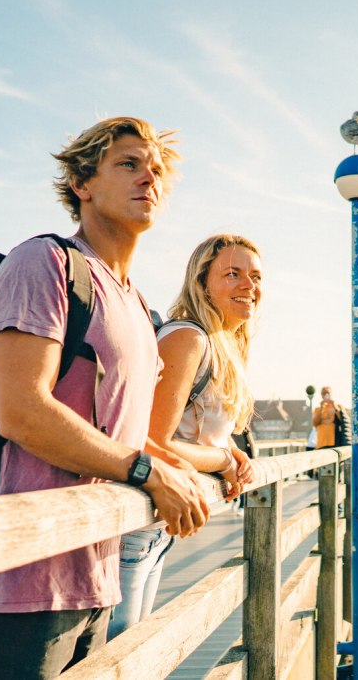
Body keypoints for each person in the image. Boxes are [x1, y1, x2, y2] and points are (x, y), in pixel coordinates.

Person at [0, 117, 210, 679]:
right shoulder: (43, 264)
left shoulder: (136, 303)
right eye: (129, 164)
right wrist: (147, 472)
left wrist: (181, 467)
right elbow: (22, 412)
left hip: (95, 570)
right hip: (18, 581)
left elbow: (126, 436)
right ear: (82, 184)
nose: (148, 180)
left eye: (156, 170)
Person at [110, 234, 262, 637]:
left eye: (256, 276)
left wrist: (231, 450)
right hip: (133, 525)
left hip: (158, 522)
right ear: (201, 283)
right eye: (233, 274)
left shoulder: (217, 343)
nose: (250, 286)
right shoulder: (188, 338)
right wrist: (225, 461)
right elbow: (148, 439)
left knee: (131, 652)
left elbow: (193, 424)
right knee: (116, 653)